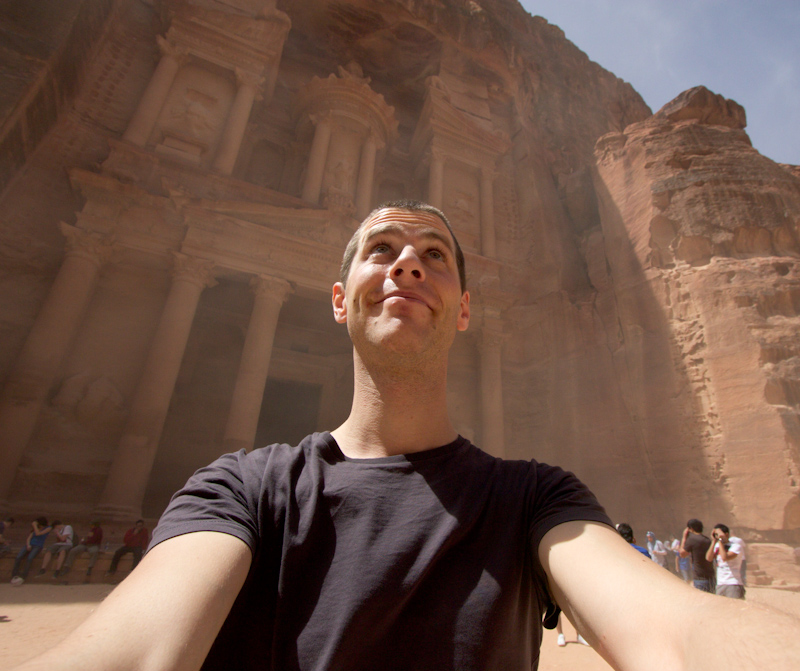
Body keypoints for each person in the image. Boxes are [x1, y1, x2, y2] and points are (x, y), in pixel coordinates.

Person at [11, 202, 800, 670]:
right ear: (338, 298)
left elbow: (674, 632)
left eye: (433, 256)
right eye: (380, 251)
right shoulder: (243, 489)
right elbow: (140, 649)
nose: (406, 267)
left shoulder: (533, 499)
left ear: (462, 308)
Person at [706, 524, 746, 599]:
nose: (717, 536)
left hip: (733, 583)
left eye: (718, 534)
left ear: (726, 534)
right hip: (720, 583)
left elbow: (725, 557)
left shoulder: (736, 546)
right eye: (715, 534)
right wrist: (713, 542)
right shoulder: (717, 546)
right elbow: (709, 558)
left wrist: (720, 541)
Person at [10, 517, 52, 584]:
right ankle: (14, 575)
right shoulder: (35, 529)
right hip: (30, 544)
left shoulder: (48, 528)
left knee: (29, 558)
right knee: (18, 557)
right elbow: (29, 538)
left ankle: (24, 576)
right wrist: (28, 545)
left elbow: (38, 534)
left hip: (38, 546)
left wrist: (35, 526)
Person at [679, 518, 716, 593]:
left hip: (700, 578)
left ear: (691, 529)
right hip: (711, 577)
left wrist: (684, 537)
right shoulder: (707, 540)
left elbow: (682, 554)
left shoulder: (692, 539)